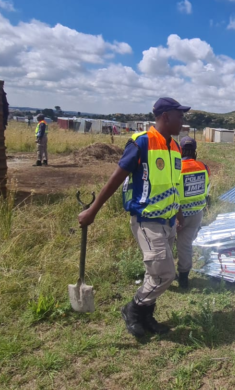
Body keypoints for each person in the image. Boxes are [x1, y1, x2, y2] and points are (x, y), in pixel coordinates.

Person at [78, 97, 189, 338]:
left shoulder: (175, 147)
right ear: (165, 116)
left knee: (154, 273)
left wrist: (179, 214)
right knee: (166, 274)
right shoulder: (142, 142)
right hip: (147, 221)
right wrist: (92, 211)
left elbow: (175, 185)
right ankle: (134, 309)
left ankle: (146, 317)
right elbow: (116, 178)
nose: (183, 121)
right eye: (179, 116)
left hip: (168, 221)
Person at [176, 136, 210, 289]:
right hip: (196, 214)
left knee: (165, 244)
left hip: (177, 215)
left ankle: (164, 275)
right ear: (195, 151)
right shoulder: (204, 167)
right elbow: (207, 187)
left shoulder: (176, 168)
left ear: (180, 150)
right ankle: (183, 278)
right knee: (185, 245)